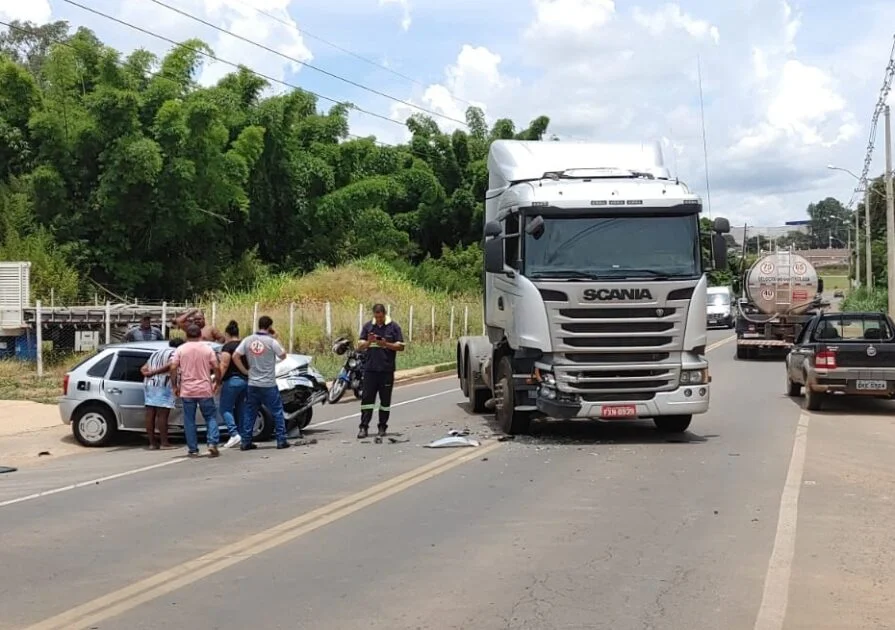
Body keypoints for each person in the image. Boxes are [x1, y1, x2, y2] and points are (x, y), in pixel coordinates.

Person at [233, 315, 295, 450]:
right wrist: (276, 338)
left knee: (250, 412)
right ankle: (281, 440)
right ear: (270, 326)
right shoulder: (271, 342)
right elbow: (283, 356)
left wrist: (245, 371)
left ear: (259, 325)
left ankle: (246, 441)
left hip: (253, 383)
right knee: (277, 411)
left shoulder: (248, 340)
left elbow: (235, 356)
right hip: (268, 383)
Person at [171, 324, 222, 458]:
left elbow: (173, 367)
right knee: (210, 417)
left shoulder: (181, 349)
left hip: (187, 389)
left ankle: (193, 449)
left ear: (186, 335)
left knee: (189, 420)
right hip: (204, 388)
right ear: (200, 335)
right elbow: (216, 367)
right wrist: (217, 382)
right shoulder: (207, 349)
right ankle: (212, 443)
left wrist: (174, 385)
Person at [356, 303, 405, 439]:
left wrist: (386, 344)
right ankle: (363, 427)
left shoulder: (393, 327)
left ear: (384, 315)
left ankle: (382, 427)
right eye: (376, 317)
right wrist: (368, 342)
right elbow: (359, 346)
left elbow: (401, 347)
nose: (378, 320)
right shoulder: (368, 327)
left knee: (385, 401)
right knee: (367, 400)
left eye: (381, 317)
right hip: (370, 370)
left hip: (386, 370)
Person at [139, 338, 185, 449]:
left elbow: (144, 367)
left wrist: (148, 373)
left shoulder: (157, 352)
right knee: (162, 414)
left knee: (150, 413)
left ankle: (152, 443)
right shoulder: (175, 352)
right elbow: (171, 365)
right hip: (163, 384)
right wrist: (154, 372)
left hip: (149, 384)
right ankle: (164, 443)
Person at [217, 320, 246, 450]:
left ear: (227, 334)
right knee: (241, 409)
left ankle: (234, 434)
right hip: (245, 380)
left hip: (232, 381)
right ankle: (243, 435)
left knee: (225, 408)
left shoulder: (228, 347)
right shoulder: (245, 345)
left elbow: (224, 365)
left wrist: (217, 380)